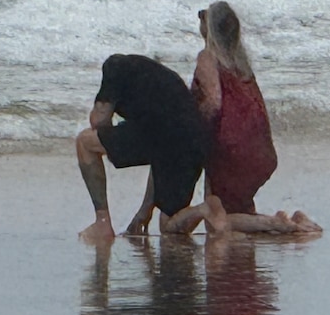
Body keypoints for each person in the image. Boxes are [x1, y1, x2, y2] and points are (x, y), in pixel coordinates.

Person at [191, 1, 321, 234]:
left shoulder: (208, 58)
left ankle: (277, 224)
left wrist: (192, 129)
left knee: (217, 220)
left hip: (230, 152)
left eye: (203, 16)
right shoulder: (242, 63)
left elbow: (213, 102)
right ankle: (296, 222)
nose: (199, 20)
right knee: (240, 212)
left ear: (209, 27)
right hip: (260, 151)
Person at [76, 53, 228, 242]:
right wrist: (144, 212)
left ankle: (102, 222)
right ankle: (203, 210)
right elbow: (157, 148)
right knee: (169, 225)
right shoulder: (162, 80)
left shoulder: (114, 68)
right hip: (194, 141)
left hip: (169, 140)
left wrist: (101, 110)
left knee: (85, 142)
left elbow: (98, 120)